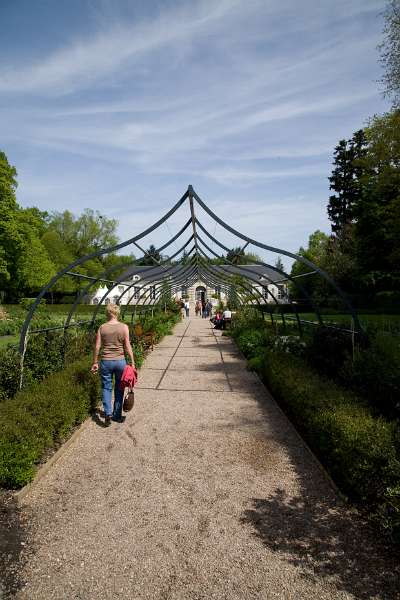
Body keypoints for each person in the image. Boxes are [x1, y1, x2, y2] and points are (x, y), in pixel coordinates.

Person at [91, 303, 135, 426]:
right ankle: (116, 415)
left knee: (106, 387)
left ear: (107, 313)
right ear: (117, 313)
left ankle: (108, 413)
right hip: (120, 361)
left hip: (105, 361)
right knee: (119, 388)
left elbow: (97, 346)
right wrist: (132, 362)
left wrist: (95, 362)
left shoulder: (102, 327)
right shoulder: (124, 327)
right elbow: (127, 346)